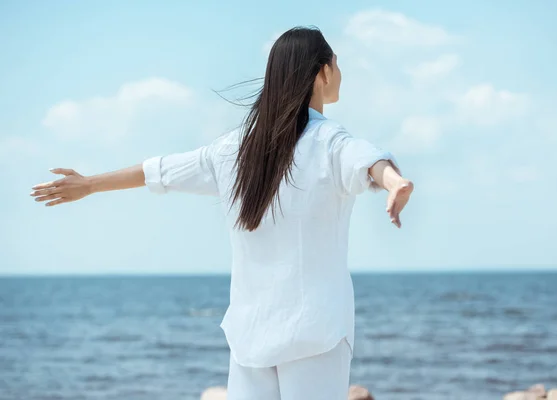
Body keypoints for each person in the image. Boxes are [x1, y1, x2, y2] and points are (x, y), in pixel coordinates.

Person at [30, 26, 413, 400]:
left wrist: (90, 184)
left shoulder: (234, 149)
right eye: (337, 64)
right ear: (323, 71)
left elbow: (157, 170)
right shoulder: (328, 139)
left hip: (251, 337)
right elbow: (365, 160)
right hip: (316, 333)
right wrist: (394, 181)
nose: (340, 74)